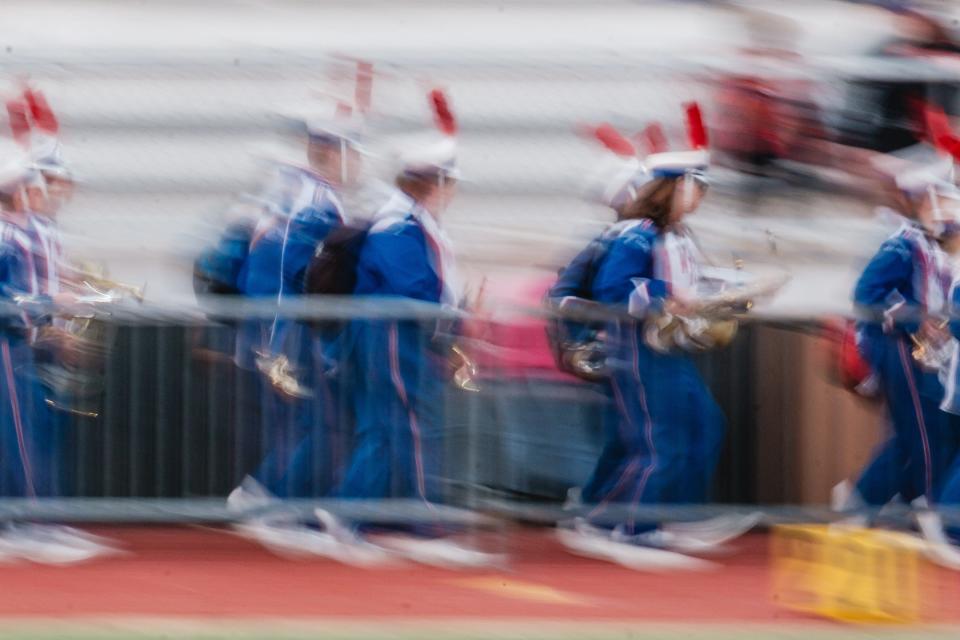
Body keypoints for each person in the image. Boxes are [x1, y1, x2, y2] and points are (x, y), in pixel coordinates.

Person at [230, 102, 363, 501]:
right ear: (334, 153)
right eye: (352, 153)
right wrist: (275, 341)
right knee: (316, 422)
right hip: (292, 329)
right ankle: (272, 501)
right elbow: (288, 270)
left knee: (306, 423)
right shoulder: (317, 200)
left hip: (281, 326)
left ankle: (266, 496)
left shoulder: (291, 191)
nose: (356, 164)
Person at [835, 153, 959, 516]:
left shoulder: (936, 245)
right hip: (895, 345)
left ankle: (860, 504)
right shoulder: (904, 243)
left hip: (922, 348)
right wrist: (914, 321)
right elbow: (866, 293)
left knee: (910, 435)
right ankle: (931, 509)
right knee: (924, 429)